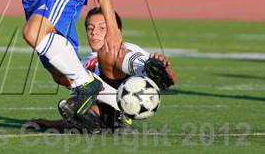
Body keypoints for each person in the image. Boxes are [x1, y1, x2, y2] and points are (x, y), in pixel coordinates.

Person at [30, 7, 177, 132]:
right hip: (105, 113)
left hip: (129, 104)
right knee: (65, 79)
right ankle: (93, 123)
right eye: (90, 28)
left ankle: (121, 117)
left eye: (102, 28)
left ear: (116, 30)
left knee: (110, 52)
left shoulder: (125, 49)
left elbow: (166, 76)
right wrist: (53, 124)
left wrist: (161, 67)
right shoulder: (84, 61)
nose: (94, 32)